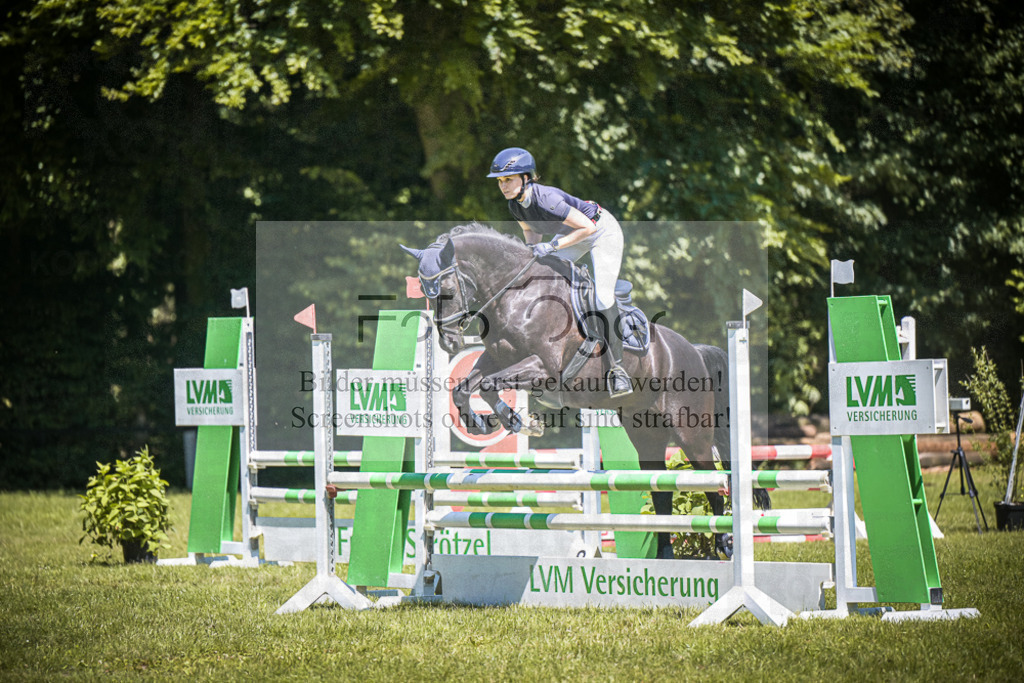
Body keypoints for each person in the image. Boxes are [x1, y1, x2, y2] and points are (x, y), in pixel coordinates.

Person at [487, 146, 632, 398]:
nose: (503, 185)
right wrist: (532, 250)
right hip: (572, 235)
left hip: (600, 231)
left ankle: (618, 369)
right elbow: (531, 232)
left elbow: (587, 227)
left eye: (508, 179)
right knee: (541, 274)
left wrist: (552, 246)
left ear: (526, 178)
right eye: (500, 181)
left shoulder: (546, 198)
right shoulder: (516, 205)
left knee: (602, 297)